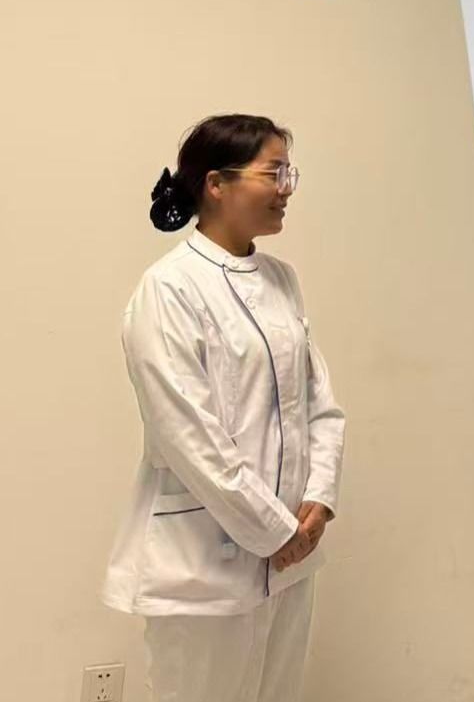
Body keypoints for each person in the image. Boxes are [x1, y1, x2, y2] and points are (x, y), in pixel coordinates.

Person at [101, 114, 346, 702]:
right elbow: (187, 436)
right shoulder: (169, 288)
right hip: (204, 565)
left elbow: (320, 405)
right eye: (273, 173)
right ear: (216, 183)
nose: (286, 188)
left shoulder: (282, 279)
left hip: (290, 559)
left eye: (289, 174)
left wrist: (318, 500)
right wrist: (275, 532)